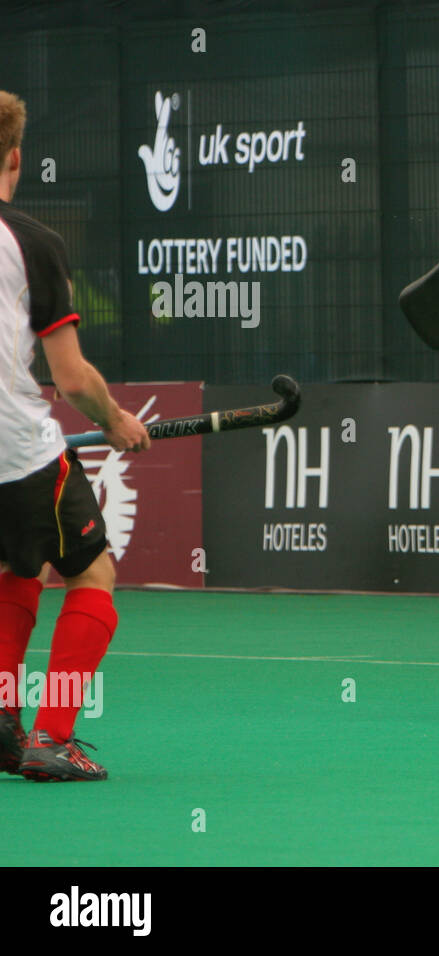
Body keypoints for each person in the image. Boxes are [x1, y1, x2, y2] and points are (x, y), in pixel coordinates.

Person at [0, 90, 151, 780]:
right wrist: (115, 420)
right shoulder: (33, 242)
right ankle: (51, 734)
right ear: (16, 158)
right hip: (18, 448)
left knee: (13, 569)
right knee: (92, 572)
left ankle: (3, 722)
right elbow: (69, 375)